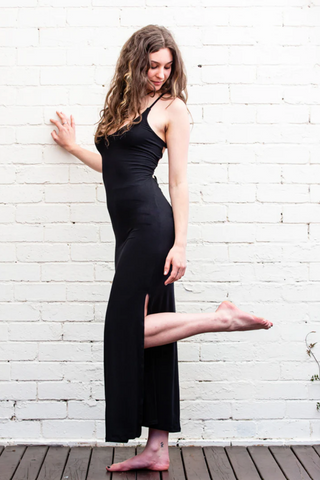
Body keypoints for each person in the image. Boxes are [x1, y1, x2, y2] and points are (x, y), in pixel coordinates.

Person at [50, 24, 273, 473]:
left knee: (124, 328)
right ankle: (157, 448)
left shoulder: (174, 109)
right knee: (151, 333)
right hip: (128, 229)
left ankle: (221, 318)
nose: (160, 74)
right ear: (136, 63)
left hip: (153, 225)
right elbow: (115, 167)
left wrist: (181, 244)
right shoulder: (122, 105)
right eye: (153, 65)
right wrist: (75, 147)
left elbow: (178, 180)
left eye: (167, 66)